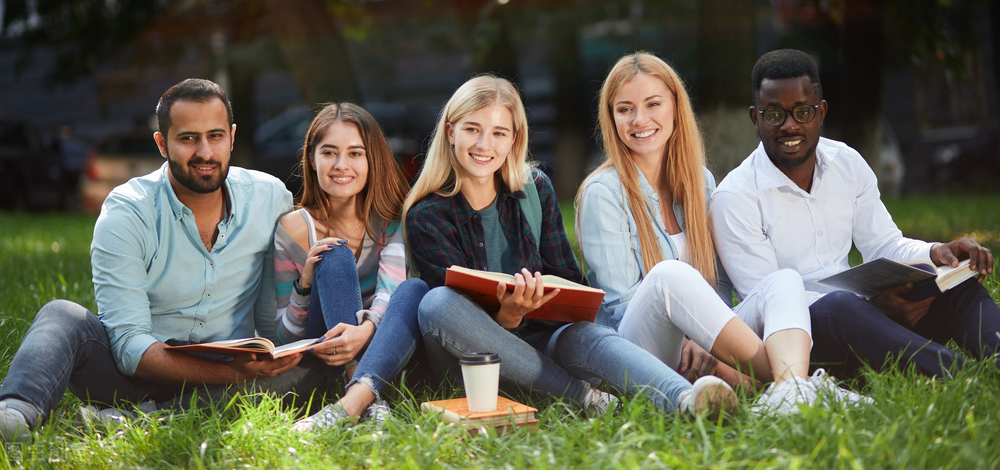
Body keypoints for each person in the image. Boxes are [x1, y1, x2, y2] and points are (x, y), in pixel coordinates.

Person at [0, 79, 326, 443]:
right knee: (62, 315)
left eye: (216, 136)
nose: (205, 151)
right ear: (162, 143)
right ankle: (16, 414)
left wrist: (269, 357)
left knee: (309, 370)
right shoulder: (127, 211)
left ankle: (135, 422)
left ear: (232, 137)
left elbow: (270, 314)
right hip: (131, 377)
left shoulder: (269, 199)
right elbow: (127, 346)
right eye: (188, 138)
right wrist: (236, 376)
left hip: (231, 370)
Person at [405, 74, 739, 418]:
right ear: (450, 132)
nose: (484, 144)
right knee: (436, 303)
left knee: (586, 333)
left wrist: (551, 300)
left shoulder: (535, 190)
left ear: (514, 139)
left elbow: (569, 281)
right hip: (475, 367)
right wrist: (508, 315)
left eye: (498, 133)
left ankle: (687, 401)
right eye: (472, 129)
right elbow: (454, 323)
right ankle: (583, 397)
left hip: (541, 348)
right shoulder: (427, 215)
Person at [577, 52, 863, 414]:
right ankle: (801, 386)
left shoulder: (700, 181)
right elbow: (620, 308)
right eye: (624, 109)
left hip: (698, 348)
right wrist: (697, 334)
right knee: (670, 276)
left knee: (784, 281)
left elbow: (718, 285)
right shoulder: (603, 192)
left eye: (653, 104)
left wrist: (706, 340)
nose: (640, 119)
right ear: (611, 116)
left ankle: (791, 389)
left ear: (675, 108)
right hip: (637, 354)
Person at [711, 48, 1000, 379]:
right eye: (774, 115)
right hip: (800, 340)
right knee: (839, 307)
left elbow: (883, 244)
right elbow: (770, 304)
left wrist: (936, 252)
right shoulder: (735, 196)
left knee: (951, 279)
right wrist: (871, 307)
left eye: (802, 112)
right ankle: (968, 377)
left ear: (820, 112)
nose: (790, 126)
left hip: (865, 316)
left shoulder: (846, 163)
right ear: (755, 118)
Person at [273, 103, 428, 431]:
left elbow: (391, 293)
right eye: (329, 152)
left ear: (371, 160)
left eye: (355, 153)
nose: (341, 165)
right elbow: (283, 335)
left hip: (381, 346)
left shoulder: (390, 220)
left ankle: (354, 400)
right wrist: (304, 284)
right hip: (325, 350)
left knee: (415, 289)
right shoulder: (294, 228)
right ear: (312, 159)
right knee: (334, 254)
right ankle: (365, 398)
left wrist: (365, 331)